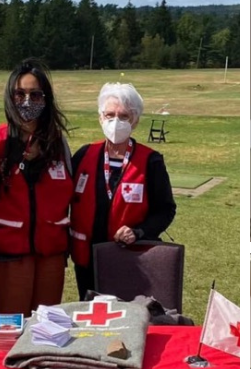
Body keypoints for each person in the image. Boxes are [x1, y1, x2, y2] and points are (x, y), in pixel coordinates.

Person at [69, 83, 176, 299]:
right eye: (110, 115)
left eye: (124, 116)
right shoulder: (83, 155)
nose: (115, 122)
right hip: (87, 260)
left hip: (129, 260)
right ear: (100, 118)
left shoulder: (151, 161)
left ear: (134, 121)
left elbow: (165, 210)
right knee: (92, 317)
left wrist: (139, 231)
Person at [0, 59, 72, 315]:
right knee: (12, 330)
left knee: (47, 330)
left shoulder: (58, 145)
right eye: (20, 94)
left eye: (35, 95)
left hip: (51, 255)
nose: (27, 101)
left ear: (46, 99)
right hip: (11, 255)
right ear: (10, 97)